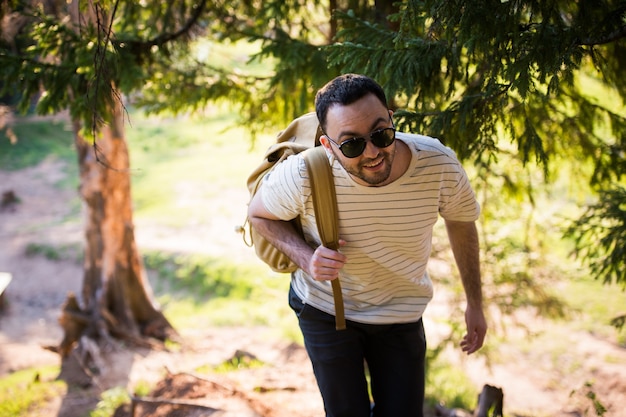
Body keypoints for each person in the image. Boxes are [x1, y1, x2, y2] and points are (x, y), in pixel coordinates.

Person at [248, 73, 487, 417]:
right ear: (328, 146)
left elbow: (462, 222)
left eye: (380, 134)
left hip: (401, 311)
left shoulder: (437, 164)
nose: (373, 152)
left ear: (392, 118)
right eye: (353, 144)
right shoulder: (304, 173)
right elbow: (258, 214)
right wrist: (306, 258)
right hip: (327, 308)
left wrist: (474, 303)